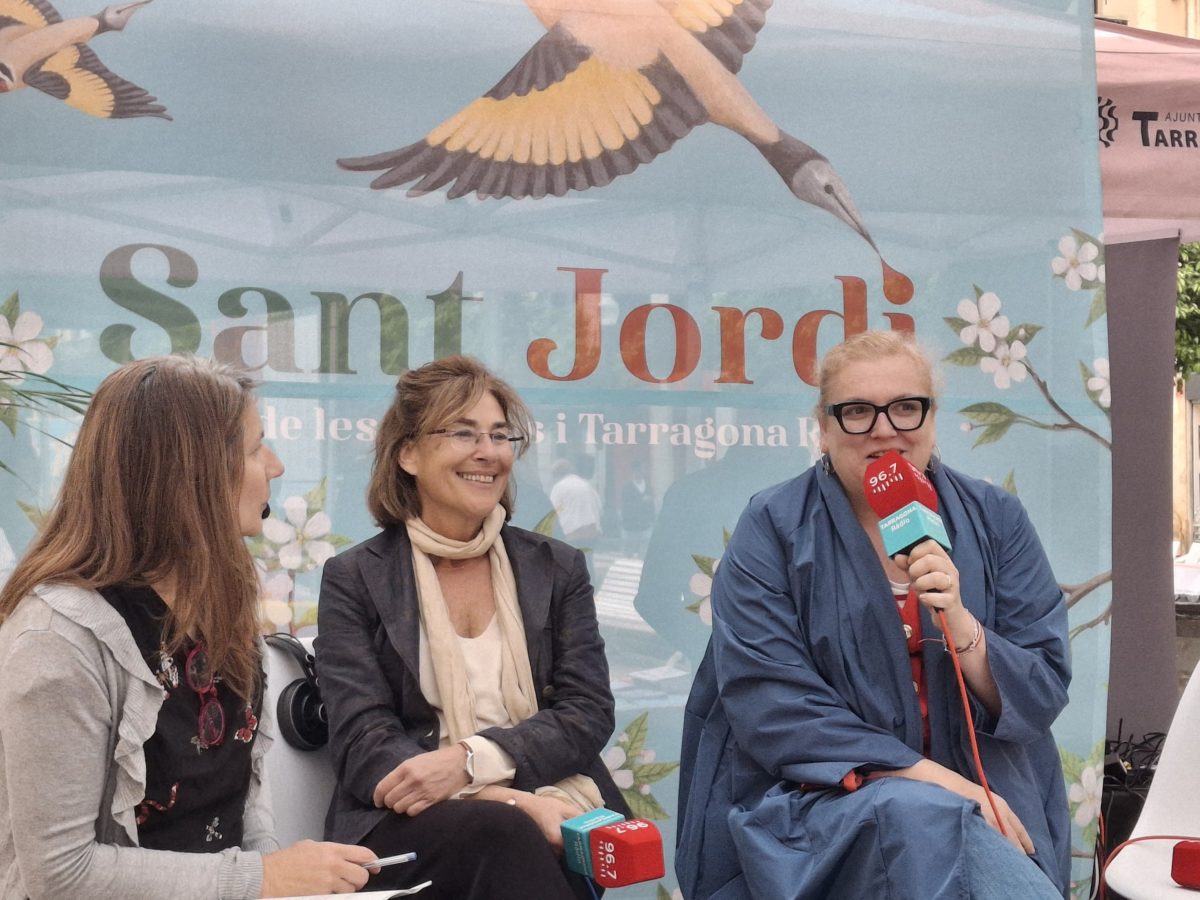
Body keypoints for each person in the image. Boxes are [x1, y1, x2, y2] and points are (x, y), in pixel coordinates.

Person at [676, 331, 1071, 899]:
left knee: (952, 826)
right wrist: (938, 785)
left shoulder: (996, 518)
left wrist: (961, 624)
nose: (885, 430)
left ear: (932, 418)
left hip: (990, 790)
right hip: (825, 804)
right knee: (926, 818)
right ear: (824, 426)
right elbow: (771, 702)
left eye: (906, 407)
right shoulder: (773, 527)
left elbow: (1042, 688)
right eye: (858, 411)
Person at [0, 355, 378, 899]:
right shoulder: (57, 639)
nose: (275, 467)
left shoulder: (223, 608)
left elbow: (242, 814)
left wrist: (286, 882)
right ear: (194, 475)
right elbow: (61, 875)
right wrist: (263, 879)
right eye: (256, 449)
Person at [315, 355, 629, 899]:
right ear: (408, 453)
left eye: (500, 435)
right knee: (507, 832)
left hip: (549, 798)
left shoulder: (555, 568)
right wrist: (508, 801)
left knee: (529, 839)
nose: (488, 452)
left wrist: (471, 762)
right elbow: (362, 740)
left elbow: (587, 710)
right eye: (463, 433)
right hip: (407, 823)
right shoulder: (356, 577)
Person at [549, 456, 603, 543]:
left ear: (555, 475)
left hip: (572, 535)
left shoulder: (559, 487)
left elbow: (552, 513)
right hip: (592, 534)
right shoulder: (588, 485)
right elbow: (599, 508)